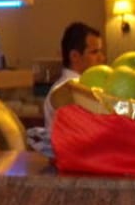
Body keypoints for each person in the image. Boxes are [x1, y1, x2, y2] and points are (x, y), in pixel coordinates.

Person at [38, 21, 105, 157]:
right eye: (94, 52)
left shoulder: (87, 86)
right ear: (74, 56)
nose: (102, 58)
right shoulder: (65, 91)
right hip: (71, 162)